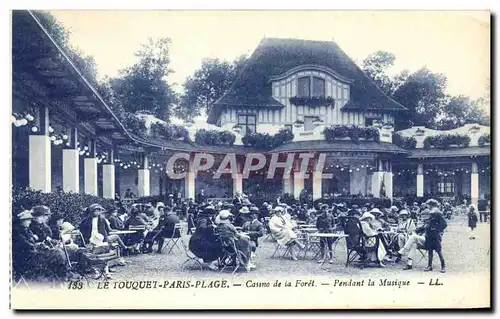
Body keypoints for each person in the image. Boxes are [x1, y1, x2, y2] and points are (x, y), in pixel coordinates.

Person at [12, 211, 79, 282]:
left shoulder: (26, 230)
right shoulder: (17, 233)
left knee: (57, 253)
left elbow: (33, 243)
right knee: (57, 253)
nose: (30, 222)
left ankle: (62, 275)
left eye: (30, 220)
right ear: (22, 221)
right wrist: (38, 245)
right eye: (27, 220)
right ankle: (63, 275)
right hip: (27, 260)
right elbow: (27, 245)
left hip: (32, 255)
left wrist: (40, 245)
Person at [424, 204, 447, 273]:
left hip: (436, 237)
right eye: (431, 214)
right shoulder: (430, 219)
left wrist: (438, 229)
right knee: (430, 252)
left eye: (433, 214)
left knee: (439, 252)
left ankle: (443, 266)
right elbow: (426, 226)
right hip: (429, 237)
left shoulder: (439, 219)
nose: (432, 215)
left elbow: (444, 225)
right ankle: (429, 266)